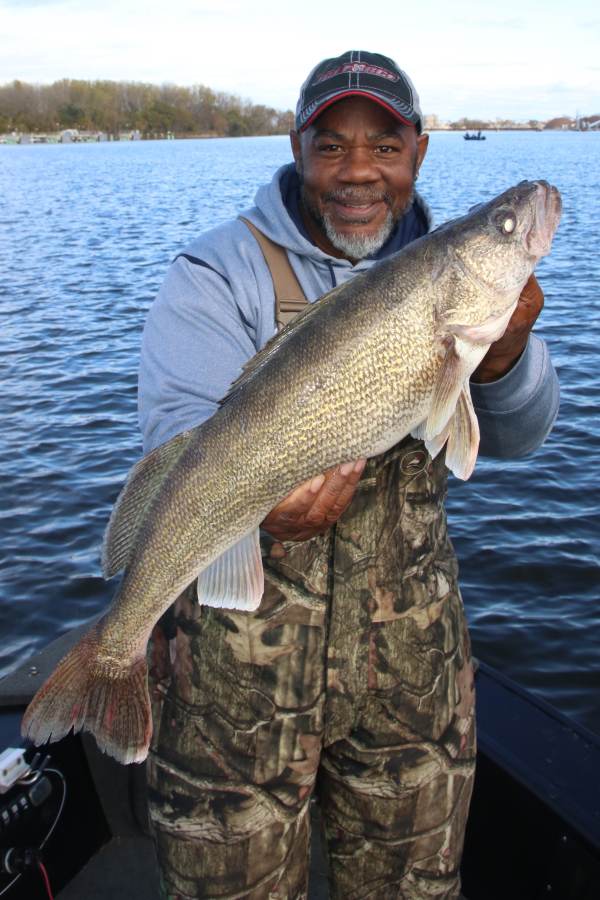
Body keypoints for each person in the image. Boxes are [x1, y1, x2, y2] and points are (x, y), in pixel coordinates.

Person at [139, 51, 559, 900]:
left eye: (384, 147)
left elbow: (517, 440)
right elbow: (178, 438)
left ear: (419, 153)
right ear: (297, 149)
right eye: (331, 147)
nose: (358, 172)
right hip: (233, 702)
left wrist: (503, 357)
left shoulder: (458, 278)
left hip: (413, 685)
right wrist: (257, 508)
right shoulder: (216, 271)